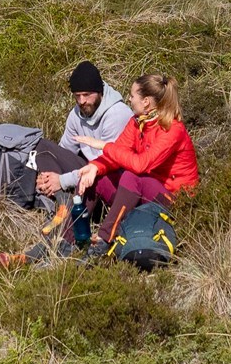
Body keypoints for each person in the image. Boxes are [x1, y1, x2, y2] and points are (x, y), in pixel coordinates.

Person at [14, 61, 132, 262]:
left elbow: (106, 164)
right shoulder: (76, 114)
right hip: (86, 174)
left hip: (108, 181)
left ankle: (45, 248)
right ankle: (63, 201)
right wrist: (48, 176)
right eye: (77, 96)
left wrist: (61, 180)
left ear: (99, 91)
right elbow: (64, 151)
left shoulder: (117, 115)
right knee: (42, 146)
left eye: (87, 95)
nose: (82, 101)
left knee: (92, 176)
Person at [68, 72, 198, 245]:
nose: (129, 99)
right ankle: (67, 238)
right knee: (94, 177)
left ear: (146, 101)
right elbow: (119, 151)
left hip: (174, 201)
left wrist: (103, 145)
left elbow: (140, 165)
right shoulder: (137, 122)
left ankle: (104, 239)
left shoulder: (172, 130)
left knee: (132, 175)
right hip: (144, 193)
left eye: (132, 96)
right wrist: (95, 167)